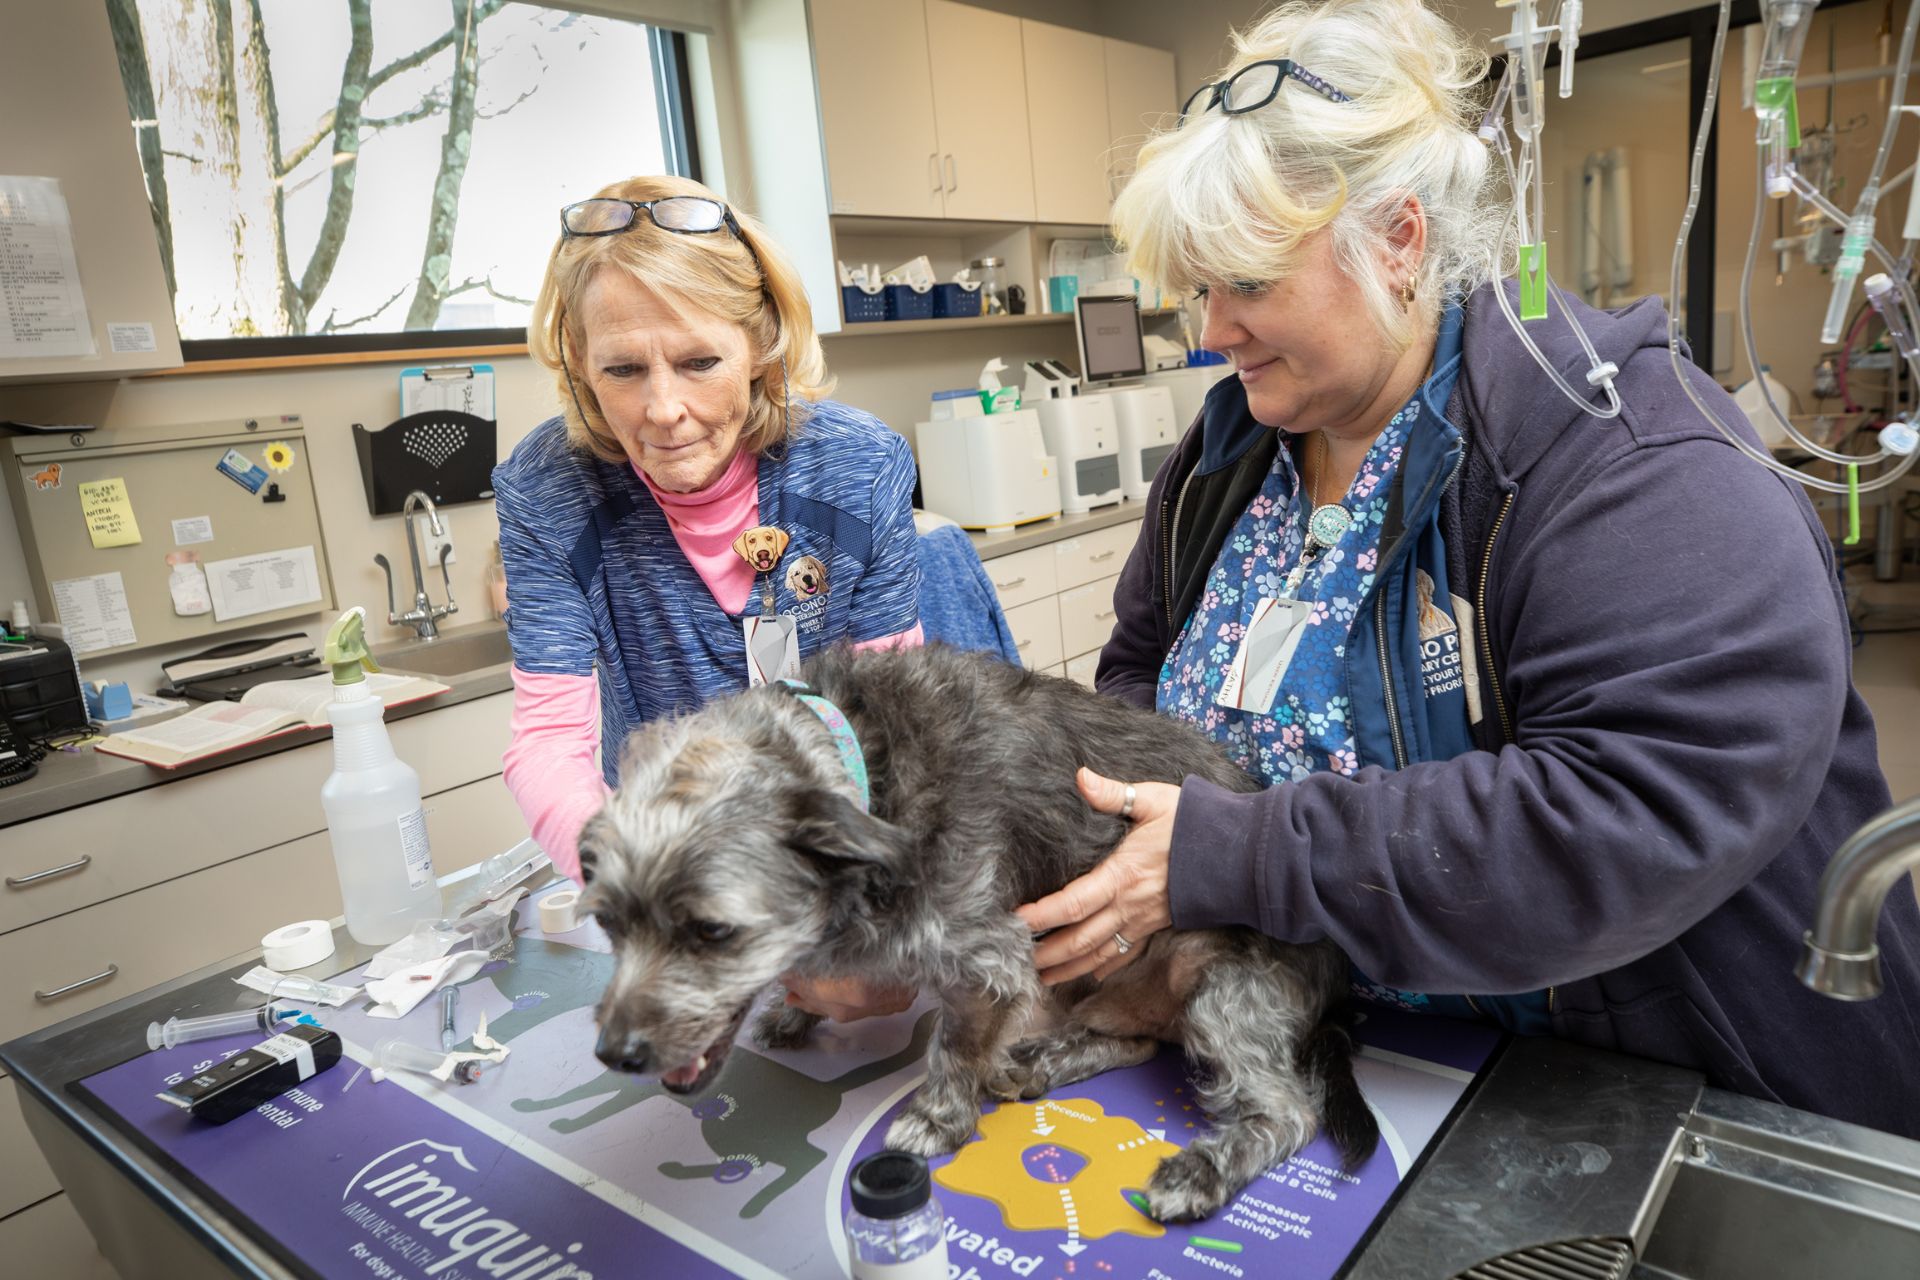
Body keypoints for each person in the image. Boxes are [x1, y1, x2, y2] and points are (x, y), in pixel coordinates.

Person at [1018, 0, 1920, 1137]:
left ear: (1398, 241)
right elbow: (1138, 678)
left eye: (1246, 282)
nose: (1211, 329)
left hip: (1637, 1085)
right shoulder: (1229, 455)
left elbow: (1628, 813)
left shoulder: (1631, 467)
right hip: (1359, 1059)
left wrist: (1236, 854)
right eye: (1198, 288)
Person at [494, 175, 921, 1021]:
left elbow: (896, 729)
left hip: (828, 862)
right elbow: (546, 743)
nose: (664, 411)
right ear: (579, 365)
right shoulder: (547, 490)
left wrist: (841, 904)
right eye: (622, 369)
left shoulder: (858, 464)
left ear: (760, 344)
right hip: (663, 874)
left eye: (699, 363)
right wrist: (643, 890)